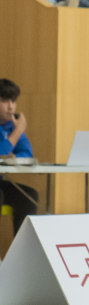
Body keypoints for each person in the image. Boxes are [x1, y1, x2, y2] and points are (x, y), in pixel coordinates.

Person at [0, 79, 38, 238]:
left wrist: (14, 157)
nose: (10, 106)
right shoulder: (17, 127)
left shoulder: (11, 126)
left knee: (29, 196)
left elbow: (27, 153)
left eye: (13, 101)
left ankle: (20, 252)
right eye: (4, 101)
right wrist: (19, 130)